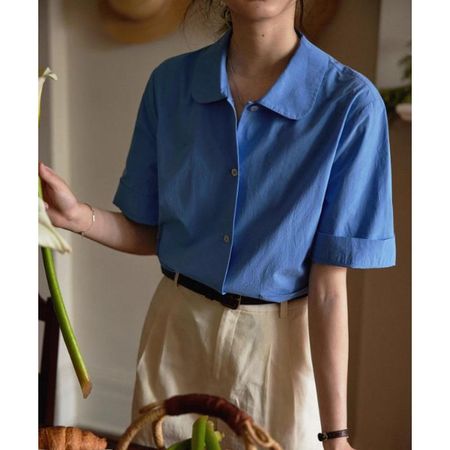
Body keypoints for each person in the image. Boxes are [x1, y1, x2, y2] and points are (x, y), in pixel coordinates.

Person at [39, 0, 396, 449]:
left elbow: (328, 290)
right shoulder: (169, 85)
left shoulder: (350, 104)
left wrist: (336, 436)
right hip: (176, 334)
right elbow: (150, 232)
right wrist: (77, 217)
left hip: (277, 351)